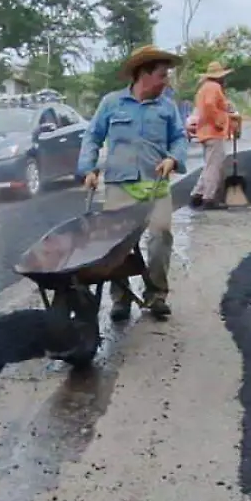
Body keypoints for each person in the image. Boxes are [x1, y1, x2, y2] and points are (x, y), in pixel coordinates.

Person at [80, 44, 190, 321]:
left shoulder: (167, 107)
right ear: (144, 74)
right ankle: (121, 298)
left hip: (156, 185)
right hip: (120, 184)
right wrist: (89, 169)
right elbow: (92, 136)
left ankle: (156, 295)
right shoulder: (112, 103)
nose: (166, 82)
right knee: (118, 244)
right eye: (162, 75)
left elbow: (179, 137)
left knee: (160, 235)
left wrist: (173, 159)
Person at [190, 61, 235, 209]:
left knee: (209, 165)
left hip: (205, 131)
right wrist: (219, 121)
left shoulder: (203, 88)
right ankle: (208, 198)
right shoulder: (214, 87)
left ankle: (197, 194)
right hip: (213, 132)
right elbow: (209, 105)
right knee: (214, 166)